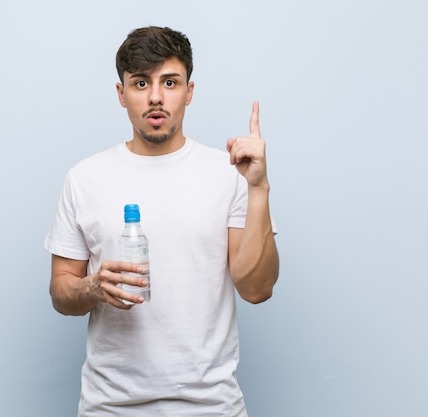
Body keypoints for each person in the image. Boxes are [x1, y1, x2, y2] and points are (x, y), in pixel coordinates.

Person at [45, 26, 279, 417]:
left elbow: (256, 289)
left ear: (189, 91)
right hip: (111, 407)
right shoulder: (84, 178)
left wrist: (259, 188)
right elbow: (60, 293)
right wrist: (91, 287)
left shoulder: (229, 174)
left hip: (211, 407)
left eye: (169, 82)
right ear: (121, 94)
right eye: (140, 83)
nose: (155, 97)